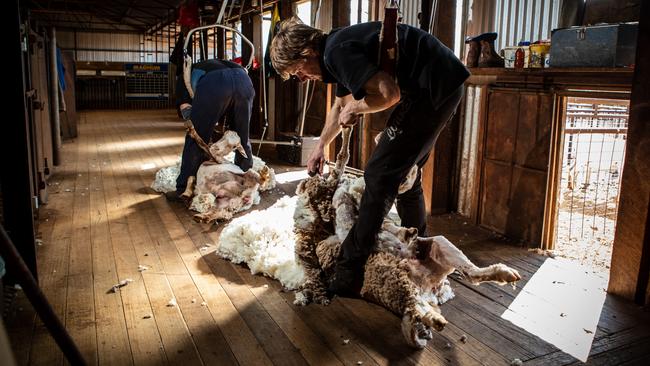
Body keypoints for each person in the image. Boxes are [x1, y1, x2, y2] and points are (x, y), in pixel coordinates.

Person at [270, 18, 469, 296]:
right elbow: (340, 105)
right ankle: (420, 251)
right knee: (405, 173)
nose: (302, 79)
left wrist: (357, 108)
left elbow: (389, 94)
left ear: (307, 52)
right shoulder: (332, 48)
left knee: (379, 174)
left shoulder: (335, 52)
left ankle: (349, 270)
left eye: (298, 71)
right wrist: (320, 146)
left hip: (434, 86)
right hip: (435, 84)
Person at [165, 58, 255, 201]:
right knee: (241, 137)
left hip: (216, 83)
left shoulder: (183, 78)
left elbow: (188, 115)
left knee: (195, 137)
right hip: (243, 79)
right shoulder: (208, 66)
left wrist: (205, 131)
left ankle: (184, 189)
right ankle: (246, 182)